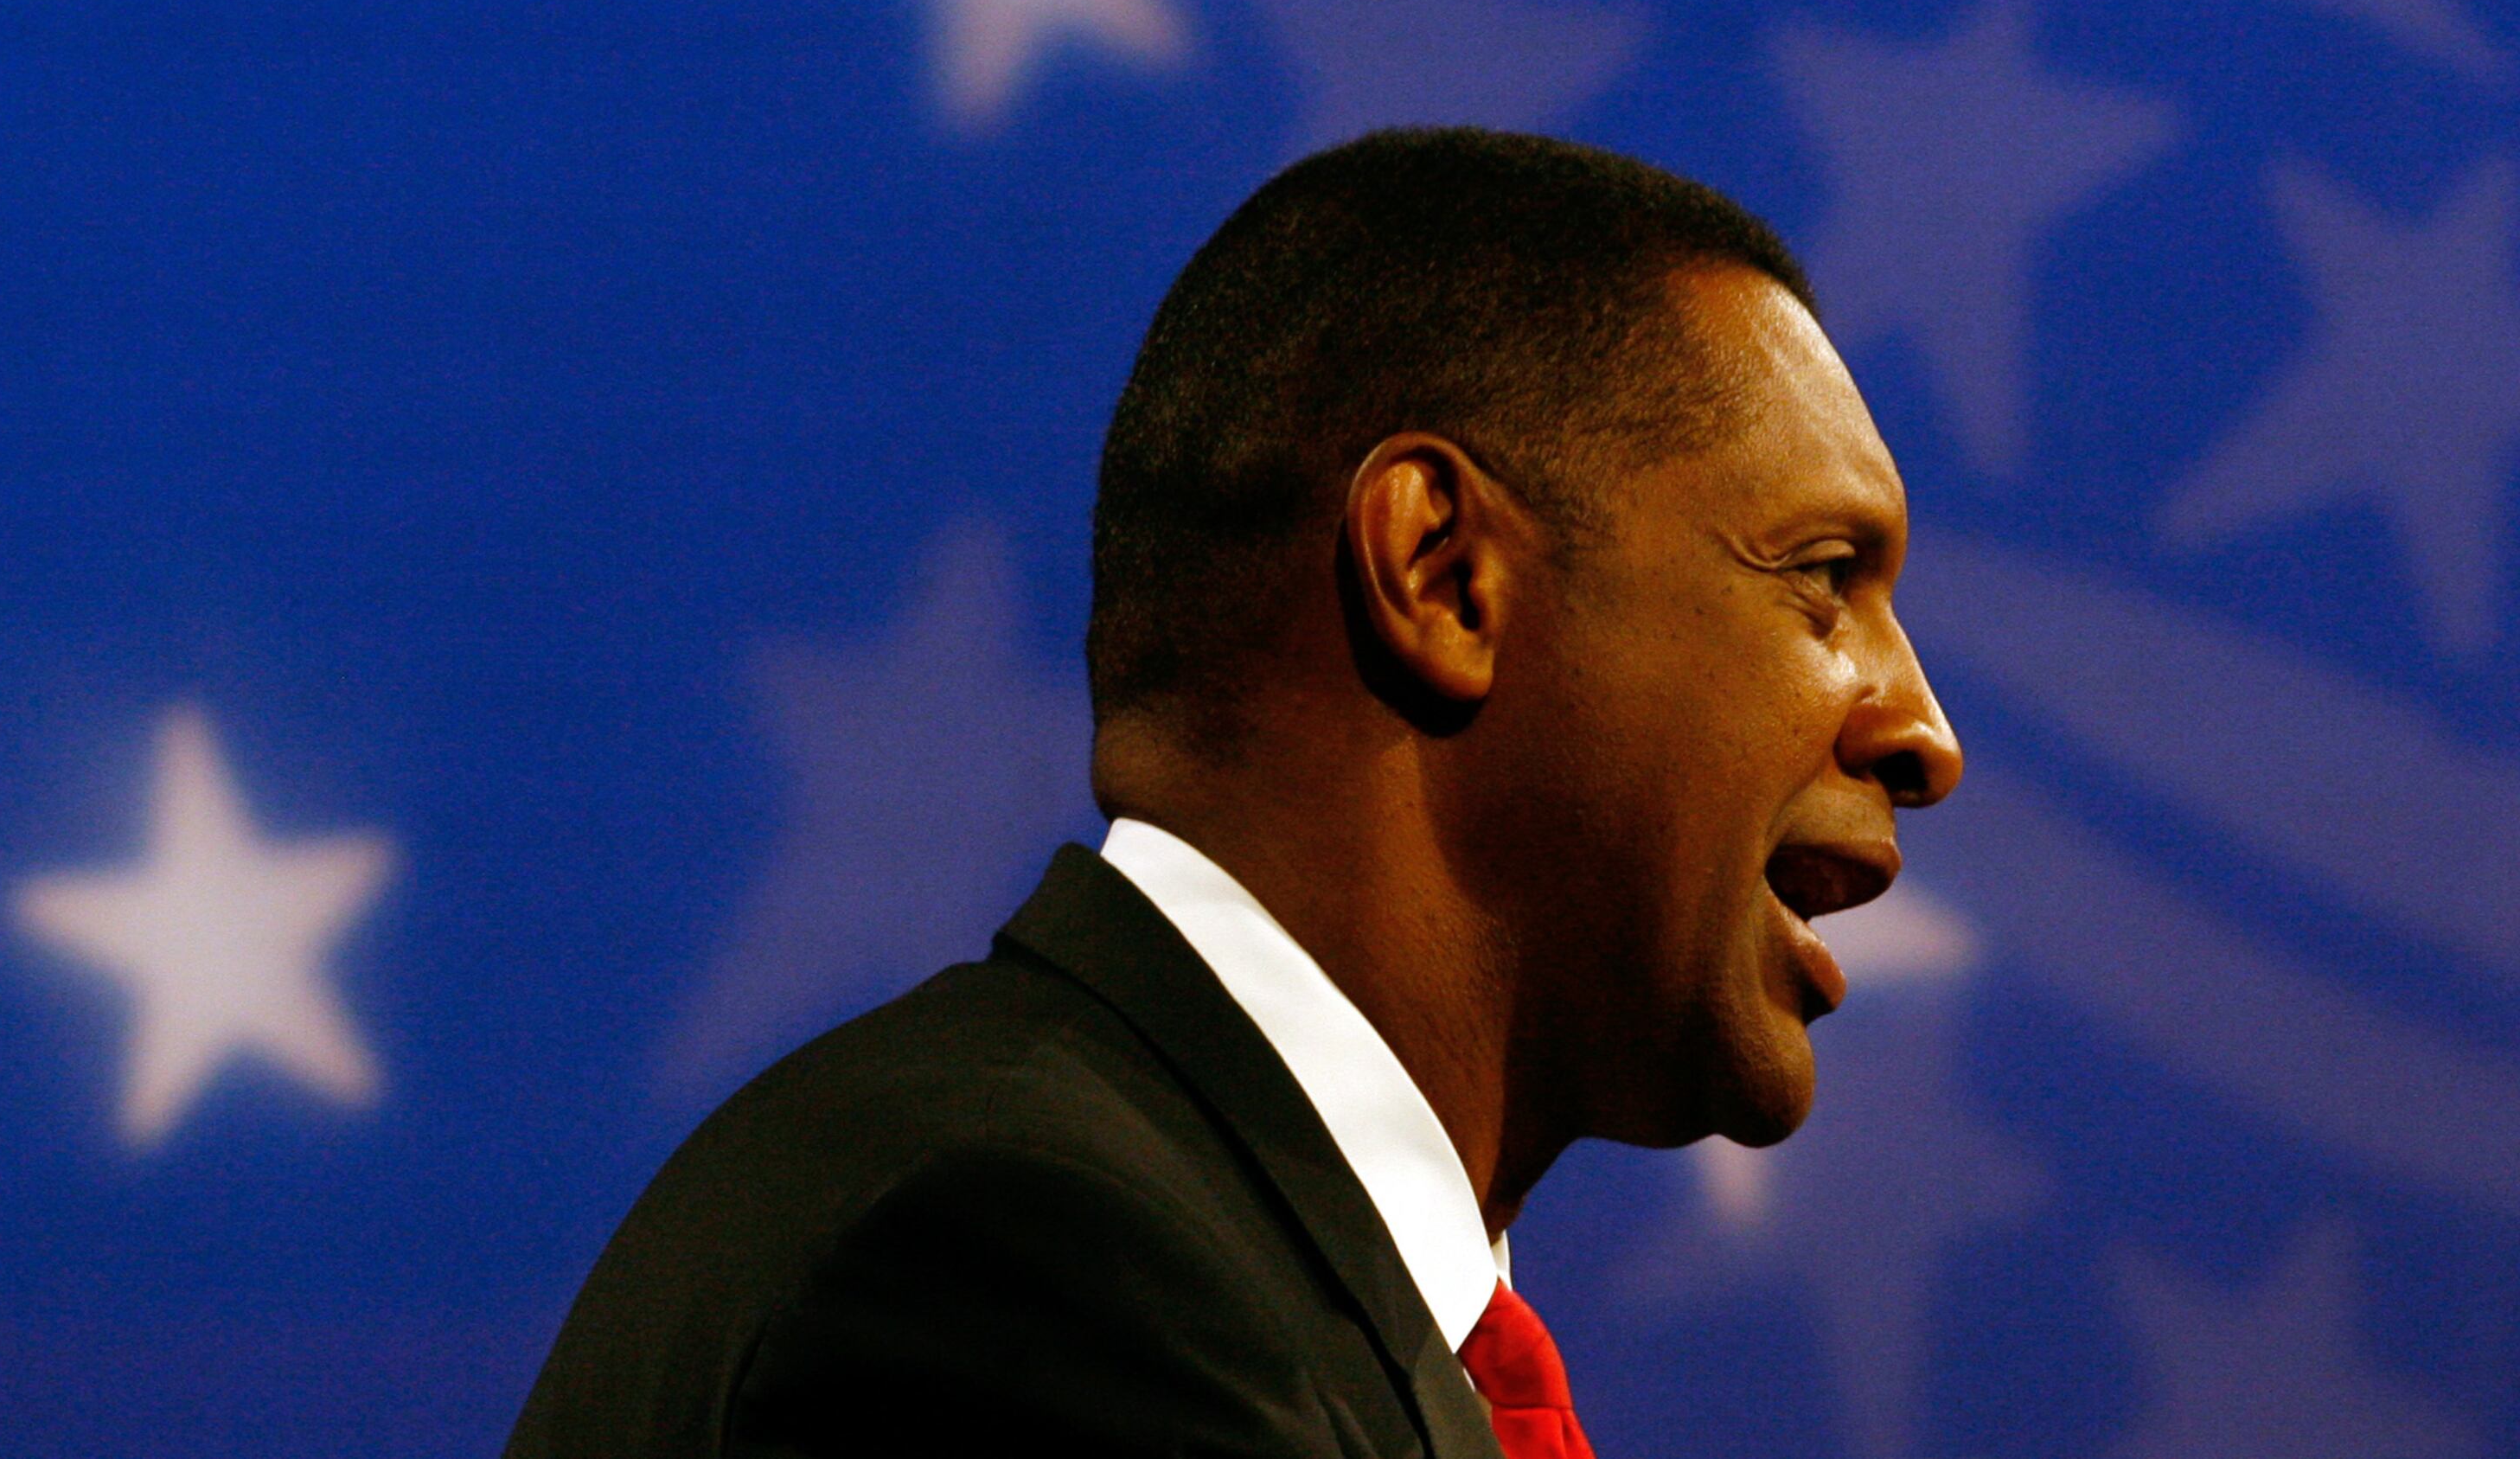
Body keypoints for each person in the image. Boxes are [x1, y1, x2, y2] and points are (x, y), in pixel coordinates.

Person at [505, 128, 1963, 1459]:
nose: (1925, 732)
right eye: (1825, 580)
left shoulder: (1234, 1269)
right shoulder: (1028, 1270)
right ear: (1446, 576)